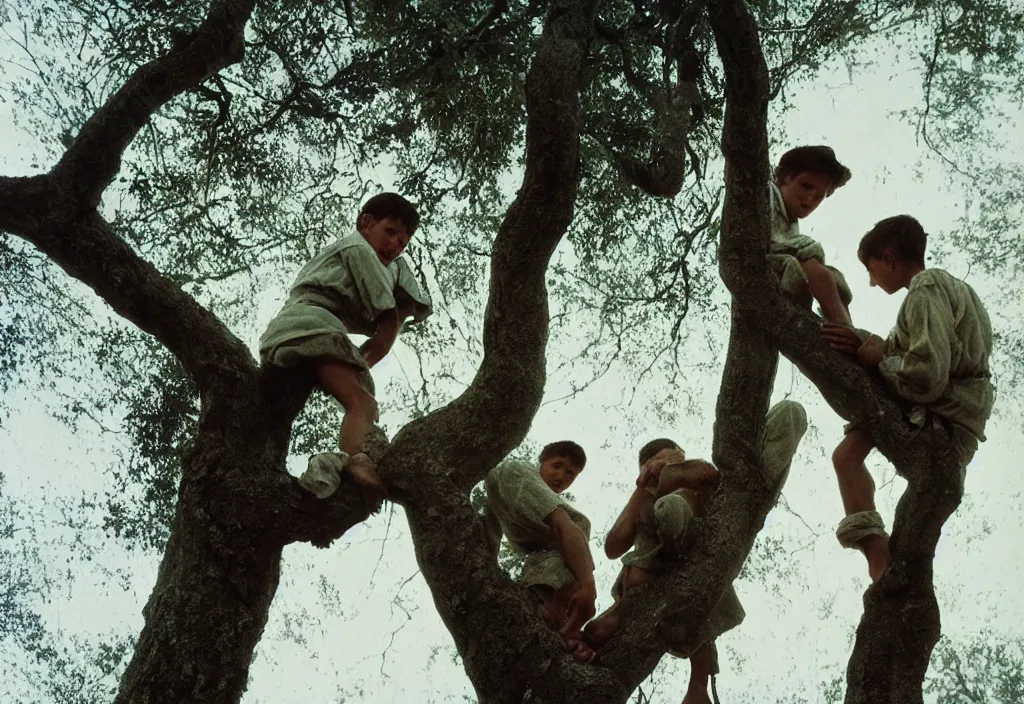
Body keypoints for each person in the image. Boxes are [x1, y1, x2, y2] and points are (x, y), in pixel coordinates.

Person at [584, 401, 808, 703]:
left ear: (680, 457)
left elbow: (705, 473)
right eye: (653, 465)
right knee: (670, 514)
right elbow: (613, 547)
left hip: (703, 543)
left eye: (668, 460)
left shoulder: (705, 480)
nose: (660, 469)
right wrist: (642, 490)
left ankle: (697, 684)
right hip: (653, 571)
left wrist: (675, 470)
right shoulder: (647, 500)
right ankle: (624, 615)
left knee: (789, 411)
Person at [822, 215, 994, 582]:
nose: (872, 280)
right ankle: (876, 555)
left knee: (846, 457)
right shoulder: (949, 291)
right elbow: (907, 354)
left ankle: (879, 562)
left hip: (944, 418)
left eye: (871, 270)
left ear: (889, 259)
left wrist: (880, 357)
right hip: (944, 414)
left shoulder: (926, 287)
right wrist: (868, 346)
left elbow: (927, 376)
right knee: (846, 456)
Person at [259, 193, 432, 499]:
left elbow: (404, 307)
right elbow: (388, 319)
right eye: (389, 232)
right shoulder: (357, 247)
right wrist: (366, 359)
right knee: (362, 402)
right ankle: (356, 462)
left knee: (362, 398)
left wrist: (405, 299)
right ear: (366, 223)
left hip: (303, 331)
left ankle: (327, 475)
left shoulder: (387, 265)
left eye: (403, 242)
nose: (394, 245)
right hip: (308, 323)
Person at [482, 441, 598, 662]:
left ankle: (556, 614)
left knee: (563, 542)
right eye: (557, 466)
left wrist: (488, 569)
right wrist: (587, 584)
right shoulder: (519, 473)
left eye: (570, 474)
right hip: (549, 578)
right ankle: (554, 609)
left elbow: (492, 525)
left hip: (541, 569)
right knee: (578, 525)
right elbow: (562, 524)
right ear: (541, 461)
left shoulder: (513, 490)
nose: (562, 477)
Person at [769, 145, 855, 325]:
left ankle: (841, 328)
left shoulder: (791, 219)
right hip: (768, 267)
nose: (810, 200)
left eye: (819, 196)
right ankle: (843, 327)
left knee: (836, 280)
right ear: (785, 177)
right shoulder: (768, 194)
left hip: (784, 266)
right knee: (810, 261)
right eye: (806, 186)